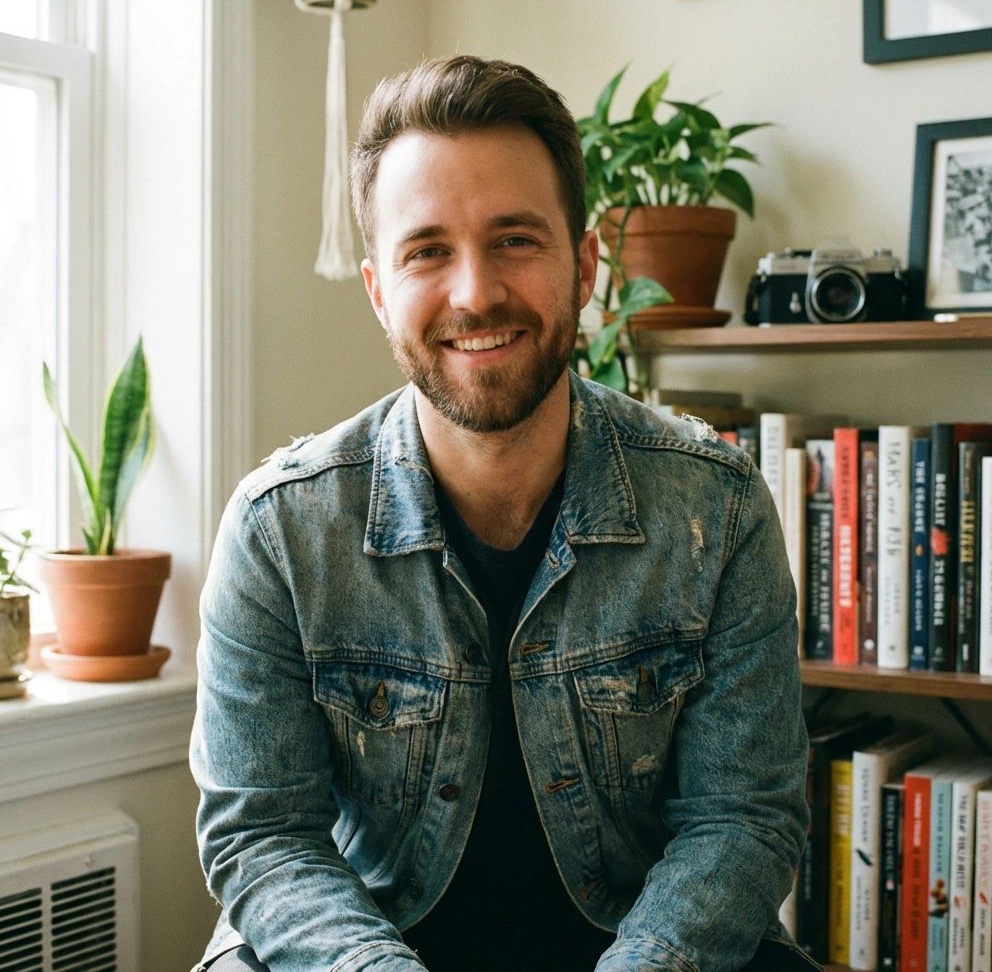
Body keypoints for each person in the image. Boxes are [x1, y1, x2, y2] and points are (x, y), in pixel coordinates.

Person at [190, 55, 816, 972]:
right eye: (427, 250)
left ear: (586, 265)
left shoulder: (716, 508)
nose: (475, 291)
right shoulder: (281, 532)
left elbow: (742, 818)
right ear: (378, 291)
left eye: (516, 239)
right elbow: (264, 836)